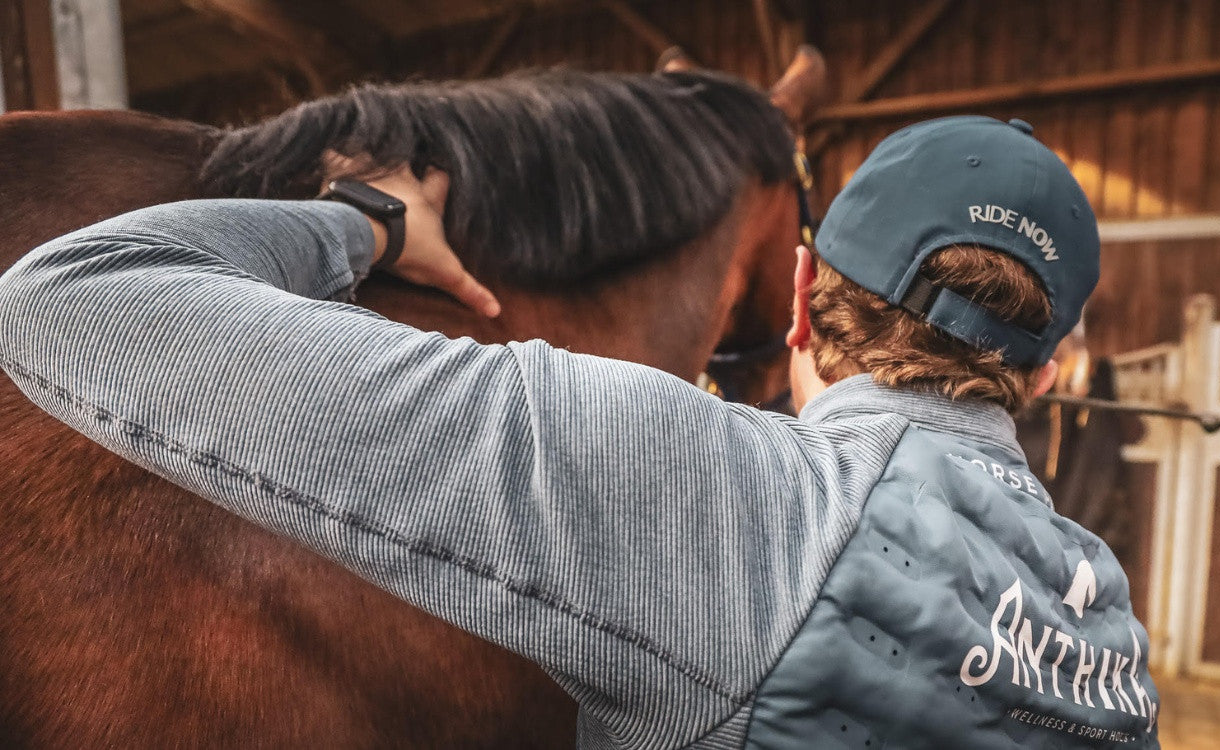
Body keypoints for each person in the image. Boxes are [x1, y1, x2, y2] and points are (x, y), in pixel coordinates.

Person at [0, 115, 1159, 748]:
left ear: (801, 293)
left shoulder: (711, 494)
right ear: (1047, 374)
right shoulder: (1108, 631)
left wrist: (362, 228)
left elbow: (70, 296)